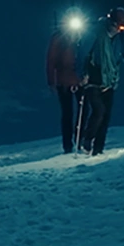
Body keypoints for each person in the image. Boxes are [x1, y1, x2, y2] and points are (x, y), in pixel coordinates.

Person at [77, 6, 124, 156]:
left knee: (106, 116)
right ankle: (87, 139)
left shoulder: (119, 39)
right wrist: (82, 74)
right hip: (94, 77)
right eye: (117, 25)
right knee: (98, 111)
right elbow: (82, 53)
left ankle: (98, 149)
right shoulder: (95, 33)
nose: (118, 29)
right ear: (111, 22)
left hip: (110, 80)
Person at [46, 10, 87, 153]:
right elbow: (51, 60)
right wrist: (52, 81)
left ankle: (80, 139)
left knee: (83, 110)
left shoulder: (81, 38)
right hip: (64, 81)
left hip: (80, 80)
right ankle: (68, 144)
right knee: (67, 113)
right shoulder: (59, 38)